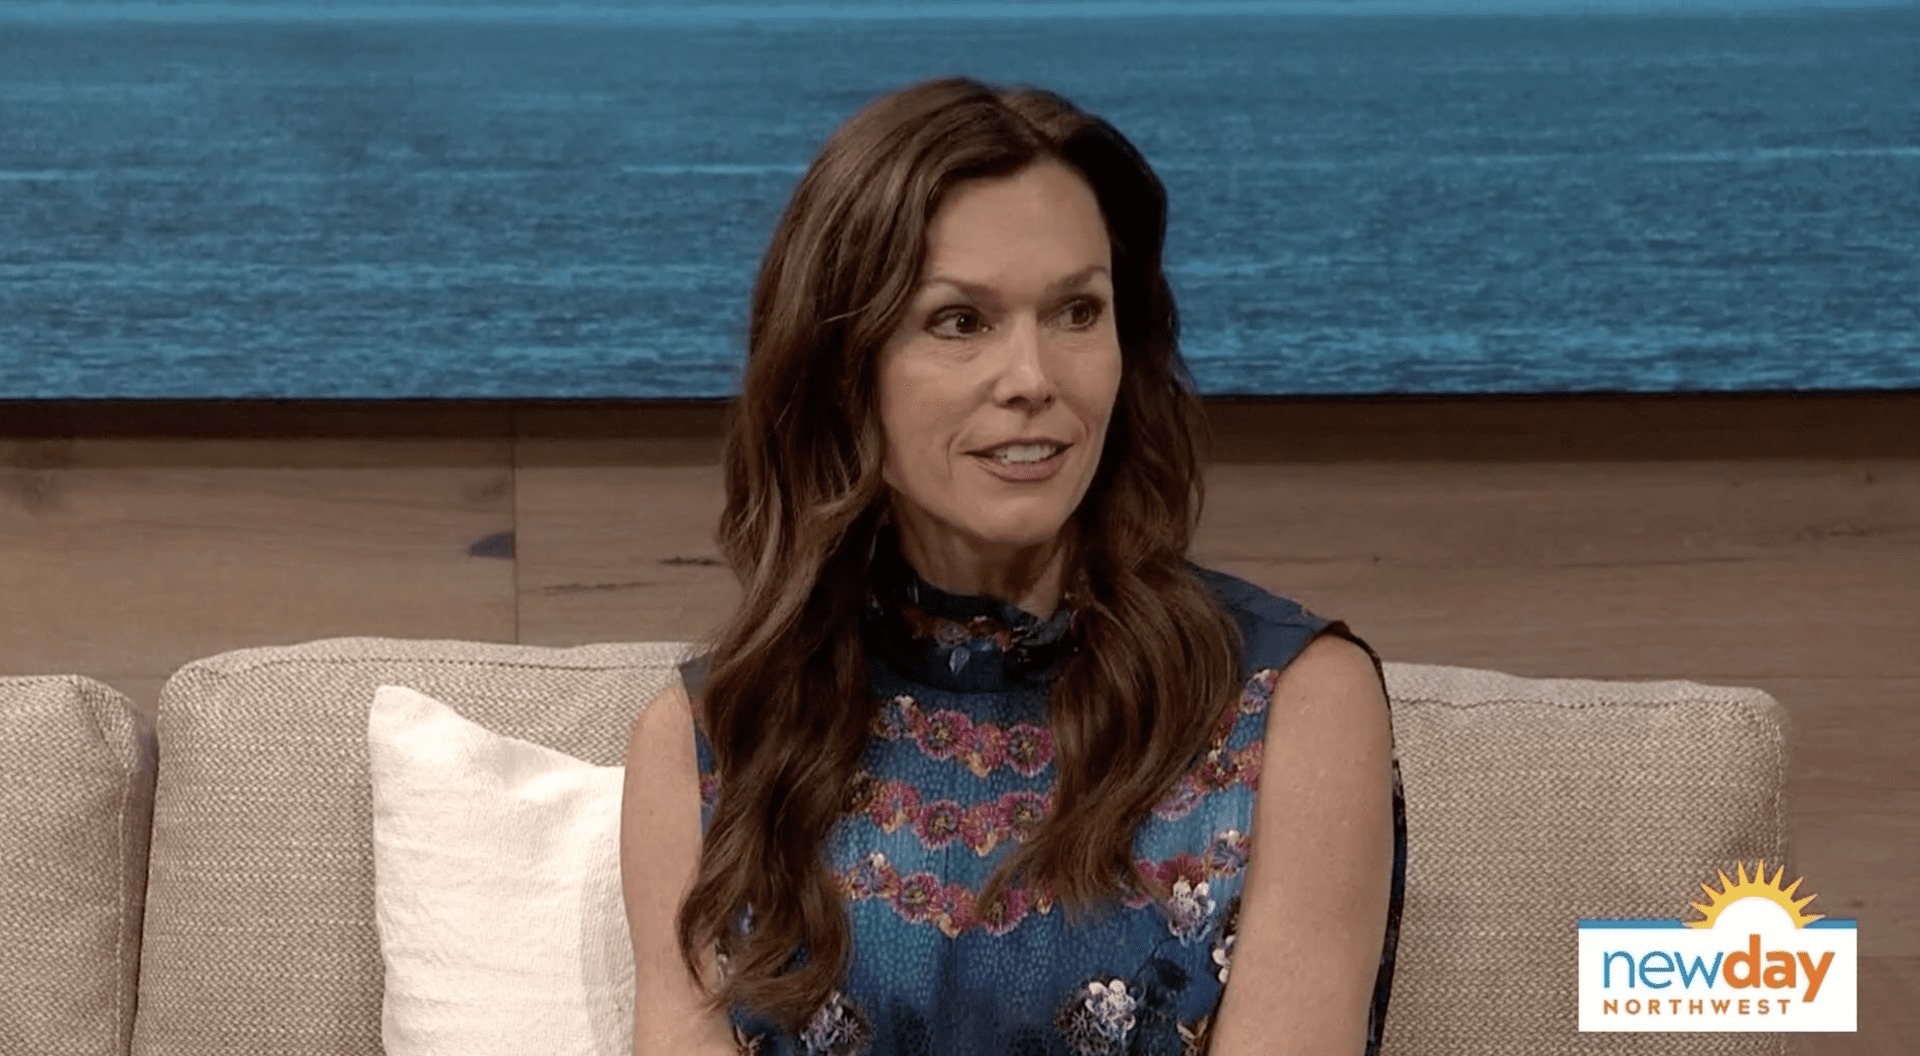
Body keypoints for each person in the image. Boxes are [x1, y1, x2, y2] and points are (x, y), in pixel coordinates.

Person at [620, 75, 1406, 1056]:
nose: (1036, 380)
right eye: (961, 322)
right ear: (842, 366)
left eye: (1078, 311)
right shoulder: (707, 745)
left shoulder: (1296, 704)